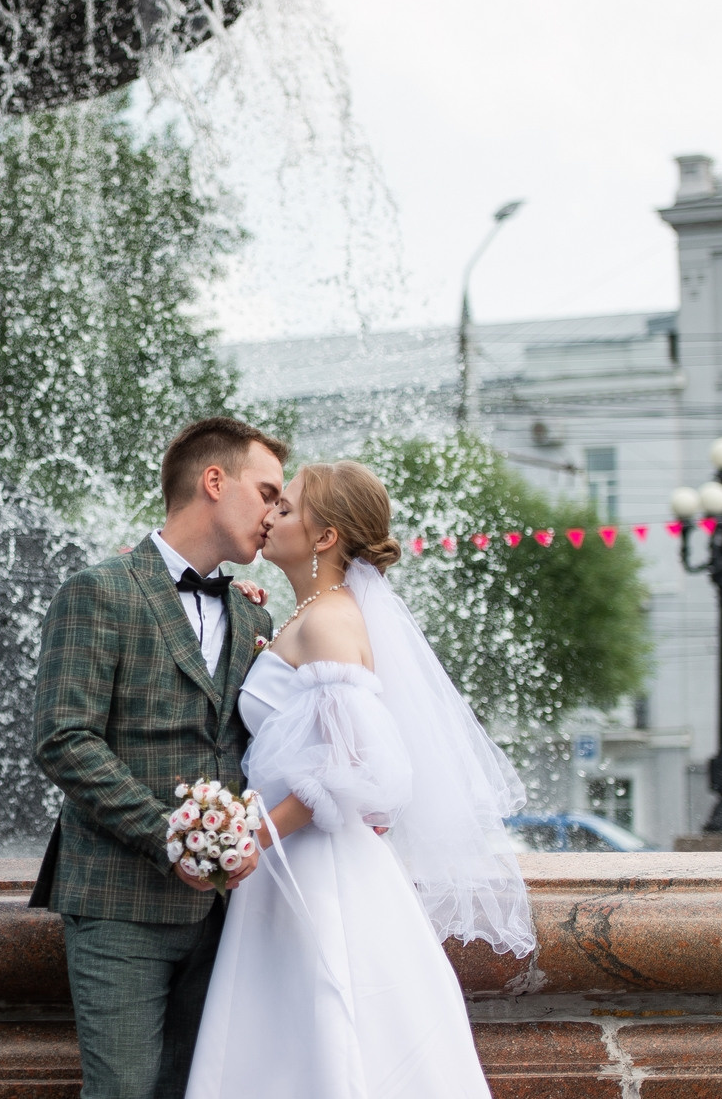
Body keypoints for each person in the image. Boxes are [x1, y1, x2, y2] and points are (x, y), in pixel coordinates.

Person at [186, 460, 535, 1099]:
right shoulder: (308, 616)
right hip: (296, 862)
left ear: (325, 538)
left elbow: (351, 768)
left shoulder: (330, 621)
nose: (269, 516)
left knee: (324, 1033)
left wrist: (246, 840)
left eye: (286, 509)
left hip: (318, 868)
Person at [32, 417, 287, 1099]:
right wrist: (167, 835)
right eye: (266, 492)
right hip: (119, 904)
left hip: (227, 915)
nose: (275, 513)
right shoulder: (99, 590)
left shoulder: (256, 618)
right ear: (214, 481)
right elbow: (63, 737)